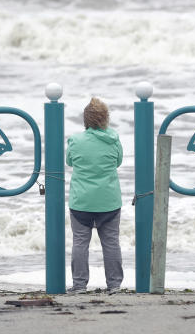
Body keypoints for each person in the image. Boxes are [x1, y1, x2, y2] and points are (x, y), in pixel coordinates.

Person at [66, 97, 124, 294]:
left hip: (81, 201)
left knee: (80, 243)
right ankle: (114, 284)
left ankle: (79, 285)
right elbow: (118, 162)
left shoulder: (75, 140)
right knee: (111, 242)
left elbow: (69, 161)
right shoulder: (113, 139)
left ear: (86, 120)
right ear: (105, 118)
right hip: (109, 200)